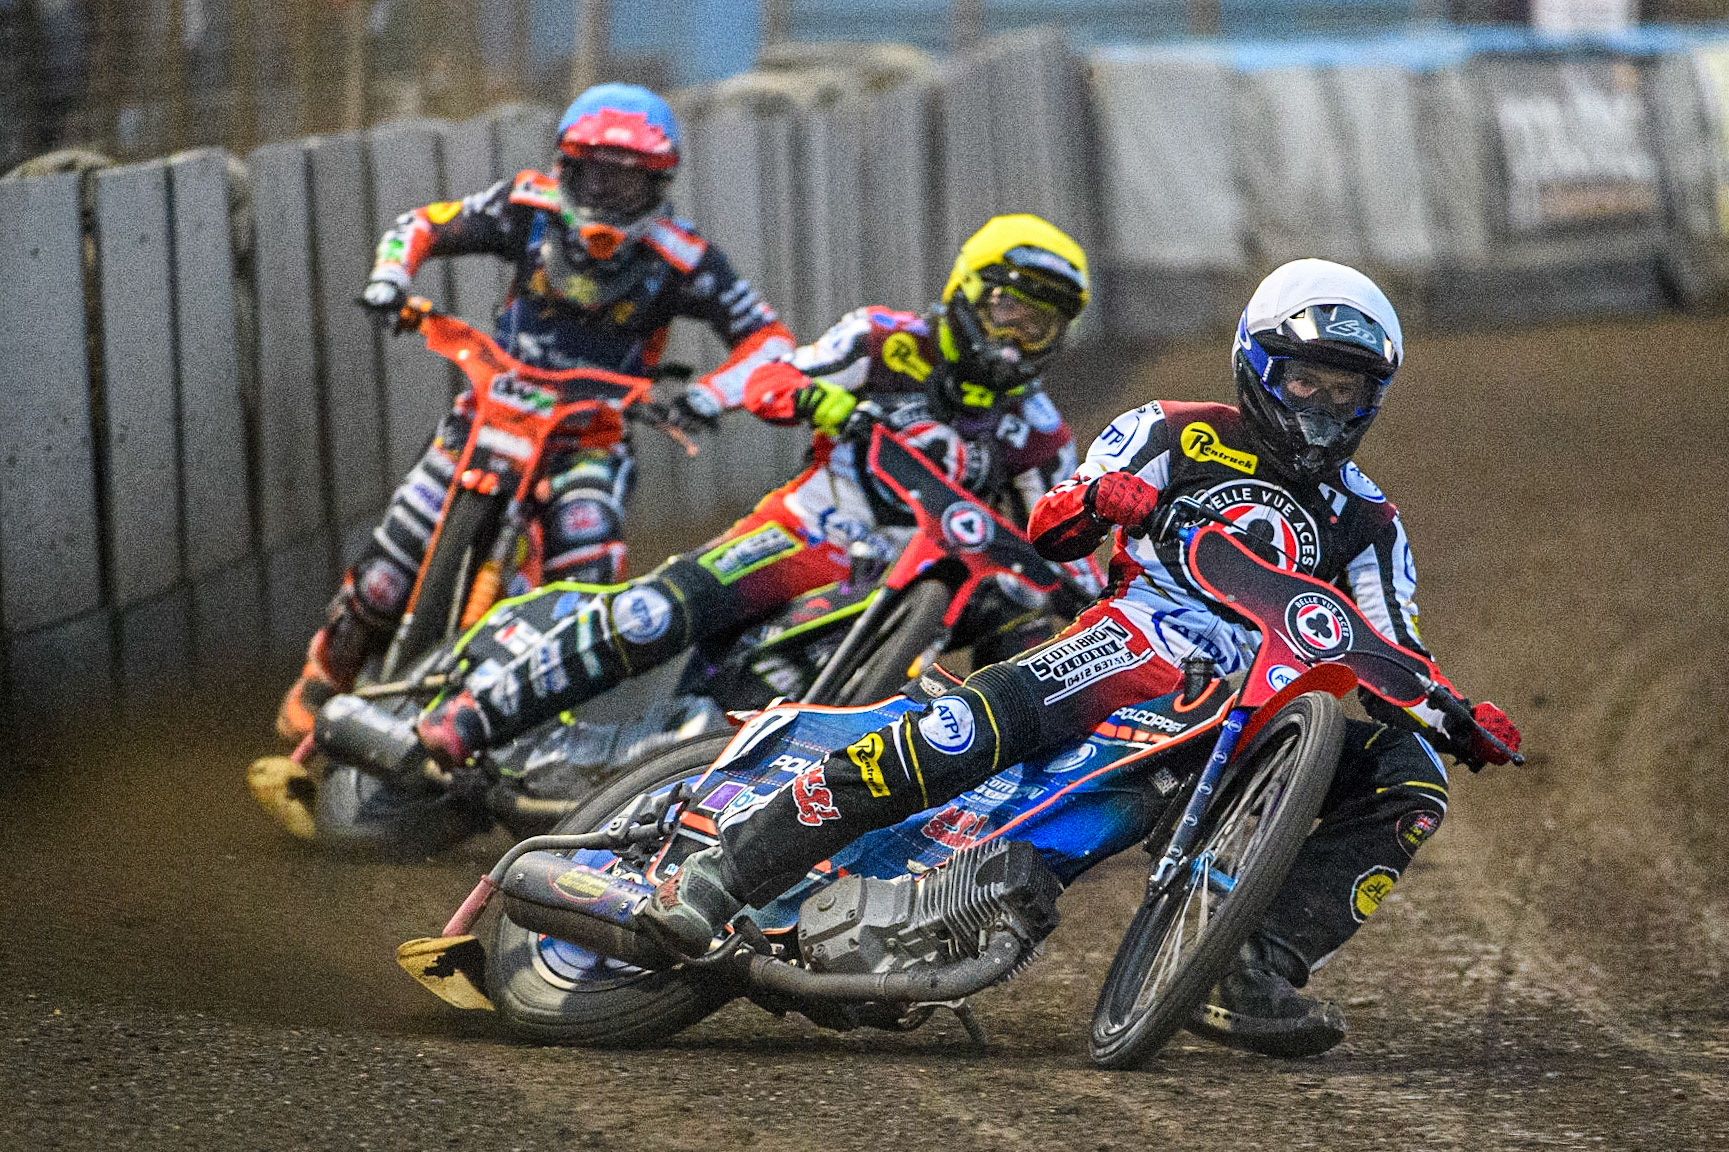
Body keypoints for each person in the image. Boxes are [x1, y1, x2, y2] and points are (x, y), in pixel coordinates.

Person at [638, 258, 1524, 1058]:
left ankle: (1249, 967)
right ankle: (723, 873)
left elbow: (1391, 648)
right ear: (1257, 366)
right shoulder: (1171, 431)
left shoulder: (1368, 520)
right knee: (957, 734)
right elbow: (1050, 525)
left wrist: (1456, 713)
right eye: (1305, 380)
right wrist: (1105, 498)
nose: (1322, 405)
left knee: (1410, 776)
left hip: (1248, 706)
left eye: (1345, 389)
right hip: (1125, 642)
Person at [395, 213, 1099, 770]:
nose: (1018, 336)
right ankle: (473, 715)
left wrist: (1092, 601)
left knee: (1023, 605)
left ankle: (1007, 780)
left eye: (1039, 324)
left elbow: (1061, 541)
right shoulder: (884, 341)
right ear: (969, 291)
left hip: (911, 586)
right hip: (808, 533)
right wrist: (818, 400)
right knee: (651, 613)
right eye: (1009, 310)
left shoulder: (1037, 428)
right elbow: (770, 377)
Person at [272, 83, 794, 744]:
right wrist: (390, 280)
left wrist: (708, 395)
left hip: (591, 438)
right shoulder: (526, 206)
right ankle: (324, 678)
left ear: (659, 184)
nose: (606, 194)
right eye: (594, 174)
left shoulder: (684, 257)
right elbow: (422, 223)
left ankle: (547, 729)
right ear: (565, 167)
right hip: (485, 414)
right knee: (387, 569)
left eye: (627, 181)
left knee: (584, 584)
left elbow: (768, 340)